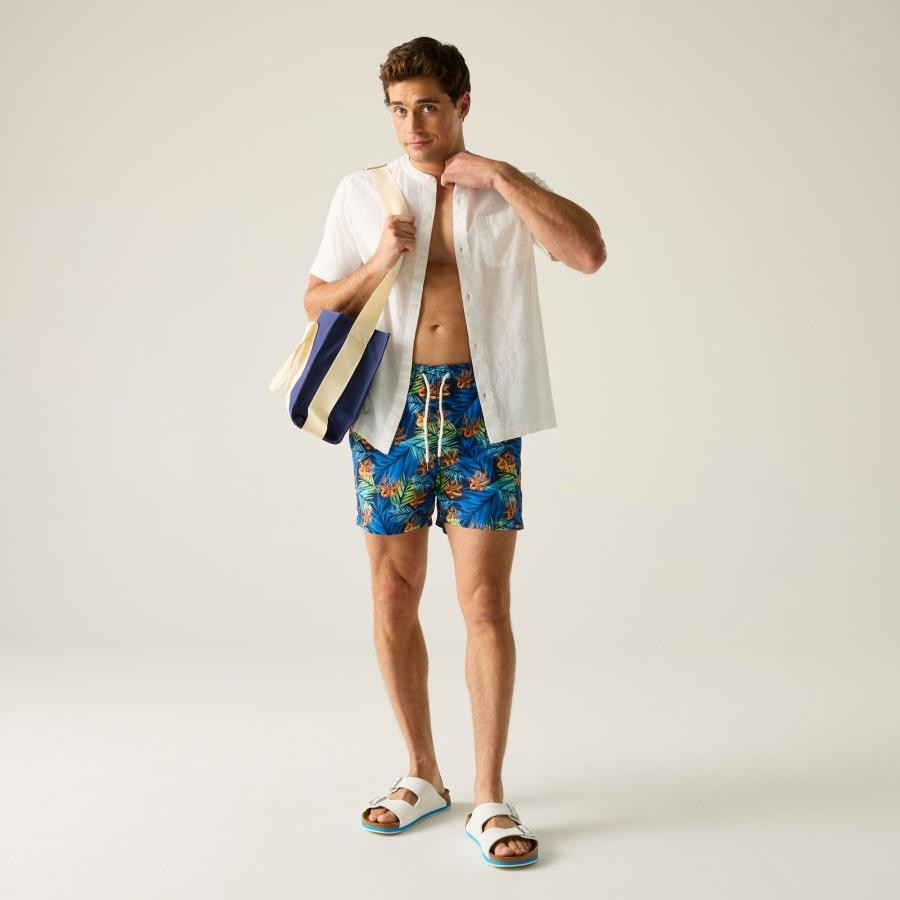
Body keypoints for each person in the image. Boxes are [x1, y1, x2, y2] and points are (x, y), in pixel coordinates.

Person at [303, 36, 606, 866]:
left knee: (485, 605)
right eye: (399, 110)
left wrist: (501, 177)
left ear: (462, 105)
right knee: (392, 593)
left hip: (482, 411)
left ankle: (490, 796)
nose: (413, 125)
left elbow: (587, 254)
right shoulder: (362, 193)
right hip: (391, 415)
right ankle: (422, 774)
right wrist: (378, 262)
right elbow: (316, 301)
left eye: (429, 107)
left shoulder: (507, 189)